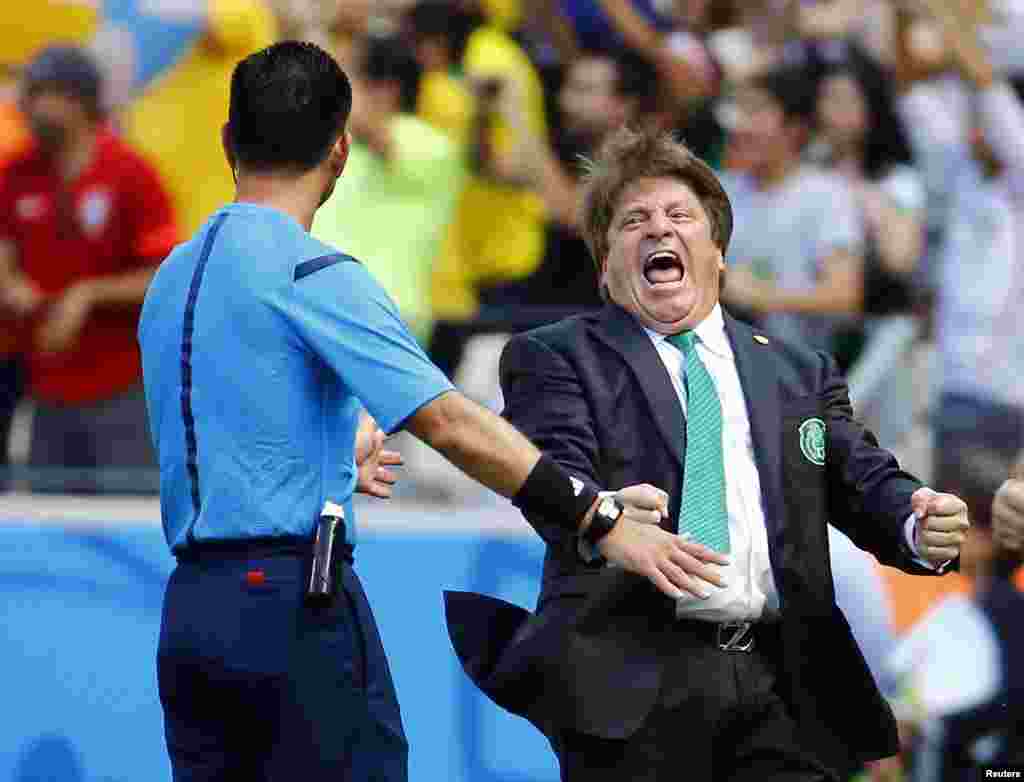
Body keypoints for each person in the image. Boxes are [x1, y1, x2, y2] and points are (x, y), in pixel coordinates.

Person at [139, 41, 710, 780]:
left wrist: (331, 454)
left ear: (227, 142)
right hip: (287, 603)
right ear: (340, 152)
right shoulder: (312, 272)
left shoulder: (171, 276)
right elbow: (445, 420)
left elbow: (231, 415)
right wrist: (595, 515)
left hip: (190, 610)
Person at [443, 126, 969, 782]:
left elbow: (859, 475)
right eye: (634, 220)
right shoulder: (555, 356)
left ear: (717, 250)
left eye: (679, 215)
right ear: (606, 266)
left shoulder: (799, 370)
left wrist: (916, 520)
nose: (659, 230)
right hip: (637, 685)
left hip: (785, 685)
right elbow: (552, 468)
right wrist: (600, 514)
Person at [0, 45, 179, 493]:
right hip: (45, 390)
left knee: (130, 527)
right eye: (30, 91)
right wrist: (11, 284)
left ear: (80, 102)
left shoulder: (131, 174)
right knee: (52, 530)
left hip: (120, 391)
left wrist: (86, 294)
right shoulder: (16, 173)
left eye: (43, 92)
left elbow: (164, 276)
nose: (29, 103)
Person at [894, 4, 1024, 503]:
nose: (976, 126)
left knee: (1003, 544)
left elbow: (986, 84)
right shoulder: (961, 173)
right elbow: (907, 85)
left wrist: (948, 18)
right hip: (953, 388)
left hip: (1008, 396)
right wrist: (900, 13)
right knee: (960, 541)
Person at [312, 33, 463, 345]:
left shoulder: (428, 143)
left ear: (388, 88)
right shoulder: (339, 146)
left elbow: (376, 133)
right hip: (327, 311)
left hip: (387, 316)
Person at [717, 64, 866, 358]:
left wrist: (762, 296)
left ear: (794, 129)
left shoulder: (827, 196)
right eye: (740, 112)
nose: (741, 126)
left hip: (797, 374)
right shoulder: (720, 190)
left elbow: (845, 294)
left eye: (756, 112)